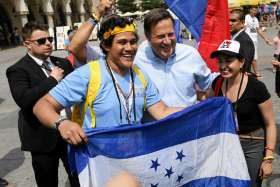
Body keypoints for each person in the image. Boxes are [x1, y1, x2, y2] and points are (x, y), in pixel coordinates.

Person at [33, 15, 182, 146]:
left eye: (133, 41)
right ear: (105, 45)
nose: (130, 48)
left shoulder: (140, 76)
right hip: (99, 161)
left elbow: (162, 111)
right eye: (122, 42)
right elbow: (42, 105)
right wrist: (62, 123)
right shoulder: (88, 74)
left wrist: (203, 109)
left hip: (135, 158)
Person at [6, 22, 79, 187]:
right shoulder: (18, 70)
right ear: (27, 44)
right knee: (47, 182)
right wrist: (52, 80)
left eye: (50, 39)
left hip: (70, 131)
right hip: (42, 138)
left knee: (78, 179)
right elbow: (24, 99)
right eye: (41, 41)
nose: (48, 43)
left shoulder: (63, 63)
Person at [210, 40, 277, 187]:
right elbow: (210, 111)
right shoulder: (217, 83)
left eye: (228, 61)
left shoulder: (256, 87)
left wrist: (268, 158)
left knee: (251, 184)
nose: (223, 66)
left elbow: (270, 124)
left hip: (253, 144)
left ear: (241, 62)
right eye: (220, 61)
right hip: (227, 143)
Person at [134, 8, 216, 109]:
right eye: (161, 36)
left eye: (171, 34)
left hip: (188, 122)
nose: (167, 41)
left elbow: (208, 84)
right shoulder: (137, 58)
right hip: (154, 124)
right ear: (148, 36)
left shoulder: (190, 54)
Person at [245, 6, 272, 77]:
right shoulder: (246, 17)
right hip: (248, 40)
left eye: (255, 10)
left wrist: (266, 39)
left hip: (255, 40)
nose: (255, 12)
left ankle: (248, 72)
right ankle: (256, 72)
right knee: (253, 57)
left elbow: (258, 30)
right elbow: (243, 27)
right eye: (253, 10)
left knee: (252, 57)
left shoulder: (256, 19)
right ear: (250, 10)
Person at [230, 9, 255, 73]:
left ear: (242, 23)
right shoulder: (234, 37)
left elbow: (245, 66)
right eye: (228, 20)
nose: (229, 23)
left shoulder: (244, 40)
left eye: (233, 21)